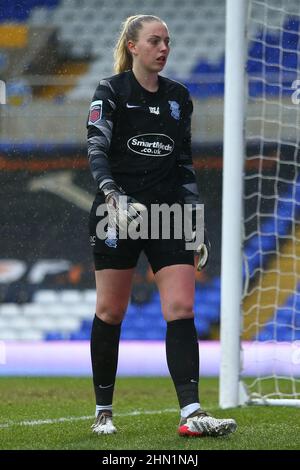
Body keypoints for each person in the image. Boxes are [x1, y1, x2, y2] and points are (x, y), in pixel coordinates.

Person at [87, 14, 237, 437]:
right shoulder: (111, 91)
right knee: (110, 311)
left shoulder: (178, 97)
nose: (164, 48)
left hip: (169, 215)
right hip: (116, 212)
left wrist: (196, 220)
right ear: (133, 46)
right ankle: (103, 410)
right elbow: (96, 146)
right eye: (155, 41)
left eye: (168, 41)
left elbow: (184, 163)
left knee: (181, 309)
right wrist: (112, 192)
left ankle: (192, 413)